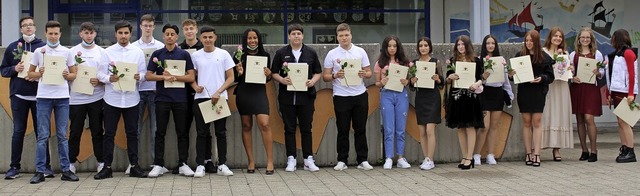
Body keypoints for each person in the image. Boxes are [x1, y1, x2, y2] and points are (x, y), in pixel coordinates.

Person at [1, 16, 53, 179]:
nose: (28, 28)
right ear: (21, 29)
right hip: (19, 96)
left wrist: (37, 76)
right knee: (18, 131)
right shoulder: (12, 48)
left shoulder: (44, 47)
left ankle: (46, 167)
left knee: (42, 132)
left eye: (31, 25)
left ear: (35, 28)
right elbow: (3, 71)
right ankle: (14, 167)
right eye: (25, 25)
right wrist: (15, 68)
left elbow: (52, 70)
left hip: (40, 96)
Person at [27, 20, 79, 184]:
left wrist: (66, 75)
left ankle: (66, 170)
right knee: (42, 136)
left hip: (62, 97)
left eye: (56, 33)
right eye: (51, 33)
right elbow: (30, 74)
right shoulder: (38, 51)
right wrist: (39, 72)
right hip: (43, 97)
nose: (54, 36)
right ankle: (40, 171)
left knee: (62, 136)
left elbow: (73, 75)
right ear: (45, 33)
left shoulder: (67, 52)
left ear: (60, 34)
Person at [96, 20, 149, 179]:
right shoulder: (107, 52)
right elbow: (100, 74)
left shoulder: (137, 52)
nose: (123, 36)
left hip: (132, 98)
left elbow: (144, 73)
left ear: (130, 34)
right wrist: (109, 78)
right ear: (116, 34)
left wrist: (139, 77)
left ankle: (134, 166)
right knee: (109, 134)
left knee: (132, 133)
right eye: (120, 33)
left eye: (126, 33)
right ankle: (107, 167)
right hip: (112, 98)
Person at [145, 24, 196, 177]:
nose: (169, 36)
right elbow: (148, 75)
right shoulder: (157, 54)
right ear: (163, 36)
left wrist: (176, 77)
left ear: (177, 37)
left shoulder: (184, 54)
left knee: (182, 132)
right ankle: (159, 164)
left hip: (181, 99)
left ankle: (183, 163)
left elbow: (191, 77)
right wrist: (164, 77)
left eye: (172, 34)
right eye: (167, 34)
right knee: (159, 132)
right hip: (162, 99)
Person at [322, 23, 374, 171]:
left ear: (351, 35)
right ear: (337, 37)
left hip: (360, 94)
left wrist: (364, 74)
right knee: (342, 129)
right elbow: (325, 76)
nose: (344, 38)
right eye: (341, 36)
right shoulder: (332, 54)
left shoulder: (360, 52)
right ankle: (342, 160)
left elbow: (369, 73)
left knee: (360, 128)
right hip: (341, 95)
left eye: (346, 35)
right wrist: (334, 75)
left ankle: (362, 160)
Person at [271, 24, 322, 172]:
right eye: (293, 34)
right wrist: (282, 80)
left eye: (299, 33)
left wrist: (312, 81)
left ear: (303, 36)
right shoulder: (281, 53)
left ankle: (308, 159)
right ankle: (291, 158)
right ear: (289, 36)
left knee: (307, 128)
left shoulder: (311, 53)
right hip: (287, 97)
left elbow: (318, 72)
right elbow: (274, 72)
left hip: (306, 97)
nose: (296, 36)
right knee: (289, 128)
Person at [190, 25, 235, 177]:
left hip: (220, 98)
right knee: (201, 133)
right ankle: (200, 165)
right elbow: (191, 76)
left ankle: (222, 164)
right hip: (201, 99)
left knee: (221, 132)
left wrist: (219, 92)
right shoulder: (195, 56)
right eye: (205, 37)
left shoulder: (223, 54)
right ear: (200, 39)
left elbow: (231, 77)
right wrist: (195, 86)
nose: (208, 40)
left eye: (210, 37)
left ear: (215, 38)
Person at [233, 28, 275, 175]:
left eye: (255, 38)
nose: (252, 41)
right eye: (249, 38)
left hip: (259, 93)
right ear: (245, 40)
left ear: (259, 39)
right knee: (246, 125)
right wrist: (238, 73)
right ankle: (251, 161)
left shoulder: (265, 55)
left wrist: (269, 75)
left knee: (264, 123)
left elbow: (267, 78)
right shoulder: (238, 55)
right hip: (244, 93)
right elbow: (234, 78)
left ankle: (270, 161)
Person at [510, 30, 554, 167]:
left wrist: (542, 78)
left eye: (531, 41)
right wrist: (512, 74)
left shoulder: (544, 57)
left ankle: (537, 153)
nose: (528, 43)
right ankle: (528, 153)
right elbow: (512, 77)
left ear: (536, 42)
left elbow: (550, 76)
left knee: (537, 121)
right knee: (526, 122)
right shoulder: (520, 55)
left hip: (538, 92)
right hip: (524, 91)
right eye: (527, 40)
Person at [66, 22, 106, 174]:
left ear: (95, 34)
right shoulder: (72, 52)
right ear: (80, 34)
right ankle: (71, 162)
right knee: (75, 131)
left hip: (96, 97)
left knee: (97, 131)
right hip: (76, 98)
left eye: (91, 32)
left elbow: (105, 74)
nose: (89, 35)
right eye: (86, 32)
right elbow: (67, 74)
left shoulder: (102, 52)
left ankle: (101, 162)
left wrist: (100, 80)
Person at [178, 19, 214, 174]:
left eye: (191, 28)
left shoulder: (205, 47)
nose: (189, 31)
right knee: (183, 130)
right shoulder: (179, 49)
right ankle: (183, 163)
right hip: (184, 94)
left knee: (206, 130)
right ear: (183, 31)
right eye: (186, 29)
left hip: (204, 94)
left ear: (196, 30)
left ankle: (208, 160)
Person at [445, 35, 484, 170]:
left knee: (470, 126)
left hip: (471, 97)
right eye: (458, 44)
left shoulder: (476, 61)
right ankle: (464, 156)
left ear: (468, 46)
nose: (461, 47)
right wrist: (450, 77)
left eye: (463, 44)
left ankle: (470, 156)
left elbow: (481, 78)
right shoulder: (452, 61)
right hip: (457, 97)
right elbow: (448, 79)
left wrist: (477, 83)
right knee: (460, 127)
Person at [131, 14, 164, 174]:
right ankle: (133, 163)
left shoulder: (160, 46)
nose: (148, 28)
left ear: (154, 27)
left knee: (155, 129)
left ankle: (155, 163)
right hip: (137, 91)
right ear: (140, 26)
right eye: (145, 25)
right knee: (135, 129)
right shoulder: (133, 46)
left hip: (154, 91)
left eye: (150, 25)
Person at [473, 35, 514, 166]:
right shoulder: (480, 60)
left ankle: (491, 154)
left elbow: (506, 80)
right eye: (488, 43)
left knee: (494, 126)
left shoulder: (501, 60)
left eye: (493, 43)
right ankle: (477, 154)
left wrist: (509, 94)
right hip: (485, 93)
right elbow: (477, 79)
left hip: (498, 94)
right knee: (484, 126)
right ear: (484, 45)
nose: (490, 46)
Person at [374, 35, 411, 169]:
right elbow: (377, 83)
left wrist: (406, 81)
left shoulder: (405, 62)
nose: (392, 48)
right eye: (389, 46)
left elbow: (409, 80)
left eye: (394, 46)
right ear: (385, 47)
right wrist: (381, 82)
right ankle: (388, 157)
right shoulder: (380, 63)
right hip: (387, 95)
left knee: (400, 128)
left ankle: (400, 157)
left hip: (401, 94)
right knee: (389, 128)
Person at [569, 27, 604, 162]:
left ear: (591, 40)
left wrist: (598, 73)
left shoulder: (597, 54)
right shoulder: (573, 54)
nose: (585, 39)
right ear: (578, 39)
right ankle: (584, 150)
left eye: (587, 37)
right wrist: (572, 76)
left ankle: (594, 150)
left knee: (589, 118)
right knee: (579, 120)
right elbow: (570, 72)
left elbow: (602, 74)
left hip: (590, 88)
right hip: (578, 87)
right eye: (582, 37)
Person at [410, 37, 443, 170]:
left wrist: (438, 79)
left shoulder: (436, 62)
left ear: (430, 47)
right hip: (420, 98)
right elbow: (411, 85)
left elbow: (442, 81)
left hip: (433, 97)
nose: (423, 48)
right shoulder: (414, 63)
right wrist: (412, 80)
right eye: (421, 45)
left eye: (426, 45)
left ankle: (430, 159)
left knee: (430, 129)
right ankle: (426, 158)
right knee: (422, 130)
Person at [541, 27, 573, 162]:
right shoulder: (543, 52)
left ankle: (557, 148)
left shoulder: (565, 53)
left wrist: (571, 69)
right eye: (555, 36)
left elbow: (569, 71)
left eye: (560, 37)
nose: (557, 39)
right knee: (547, 113)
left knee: (560, 114)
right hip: (549, 86)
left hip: (562, 86)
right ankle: (540, 145)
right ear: (550, 37)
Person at [606, 29, 637, 163]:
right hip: (617, 91)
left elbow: (632, 74)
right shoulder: (616, 54)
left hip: (625, 91)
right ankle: (625, 147)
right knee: (620, 122)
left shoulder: (628, 53)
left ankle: (631, 150)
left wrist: (631, 93)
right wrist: (609, 93)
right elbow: (611, 75)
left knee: (625, 122)